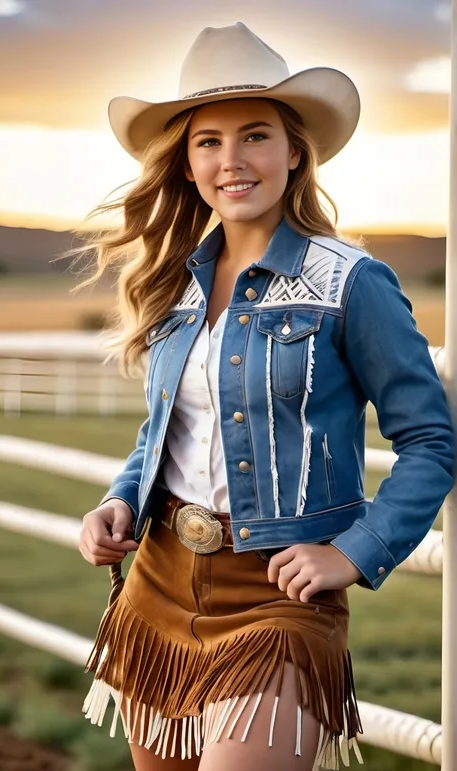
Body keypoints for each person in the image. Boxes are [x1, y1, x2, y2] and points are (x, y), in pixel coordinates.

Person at [77, 21, 455, 771]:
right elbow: (170, 434)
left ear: (293, 152)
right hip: (156, 581)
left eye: (255, 135)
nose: (232, 160)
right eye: (208, 142)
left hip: (279, 598)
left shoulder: (351, 282)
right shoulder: (172, 289)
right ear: (186, 165)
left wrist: (357, 549)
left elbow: (431, 439)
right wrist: (118, 499)